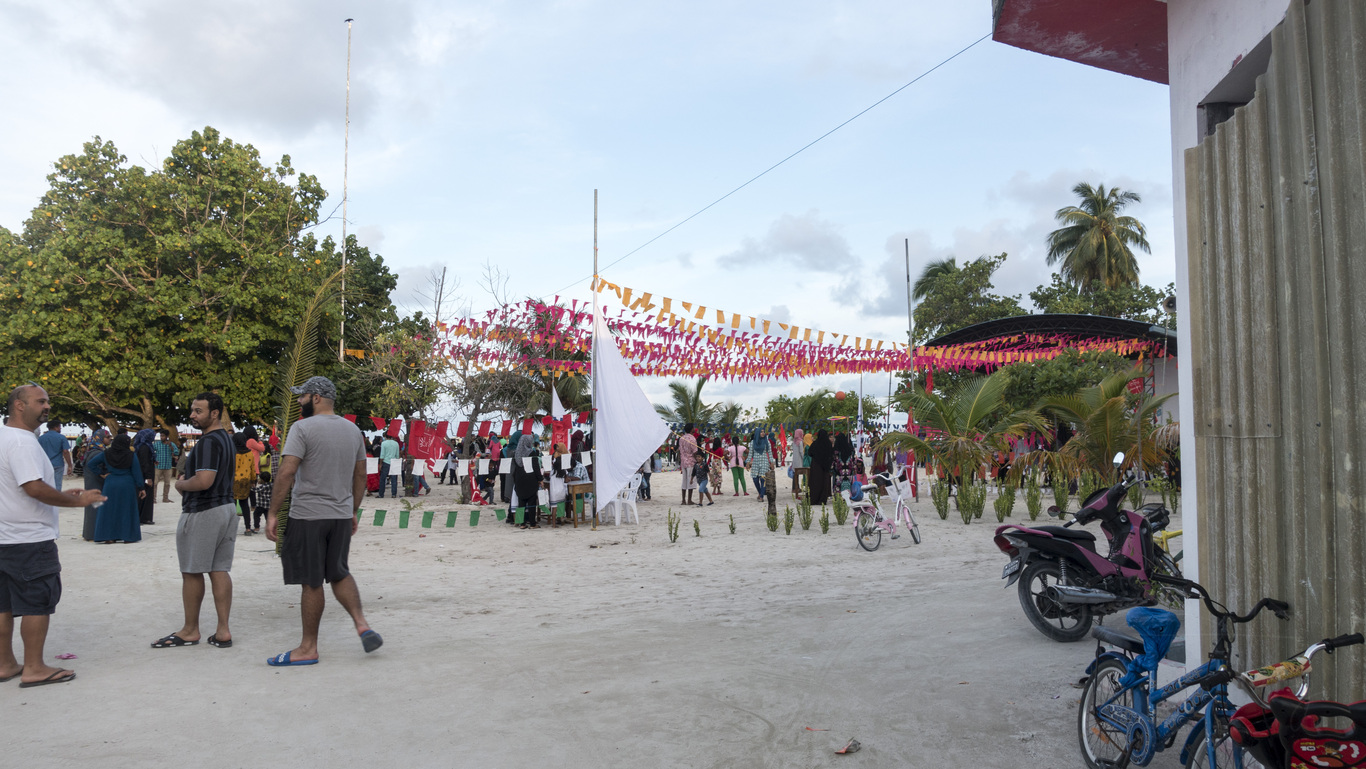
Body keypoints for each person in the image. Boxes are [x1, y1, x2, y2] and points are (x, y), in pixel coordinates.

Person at [265, 376, 381, 666]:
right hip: (340, 516)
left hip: (308, 516)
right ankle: (362, 624)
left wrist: (273, 512)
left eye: (302, 396)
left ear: (315, 397)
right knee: (339, 572)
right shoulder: (353, 430)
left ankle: (308, 648)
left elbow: (287, 472)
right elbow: (360, 475)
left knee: (312, 581)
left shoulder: (302, 428)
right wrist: (352, 510)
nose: (299, 401)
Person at [1, 386, 106, 688]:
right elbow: (33, 487)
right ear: (19, 405)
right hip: (29, 539)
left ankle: (5, 663)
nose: (47, 406)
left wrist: (61, 494)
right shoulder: (22, 442)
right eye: (41, 401)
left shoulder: (4, 436)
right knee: (36, 603)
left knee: (3, 605)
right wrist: (77, 502)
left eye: (48, 401)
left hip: (5, 536)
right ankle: (34, 667)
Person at [152, 392, 237, 650]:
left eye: (198, 411)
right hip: (226, 509)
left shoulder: (208, 442)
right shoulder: (226, 439)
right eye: (192, 410)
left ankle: (190, 630)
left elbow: (204, 481)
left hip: (203, 511)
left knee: (191, 572)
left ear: (215, 413)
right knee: (219, 570)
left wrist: (181, 484)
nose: (192, 415)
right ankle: (223, 631)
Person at [92, 434, 145, 544]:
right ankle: (127, 536)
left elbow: (91, 464)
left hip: (110, 483)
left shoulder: (106, 453)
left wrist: (102, 473)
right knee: (126, 509)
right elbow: (136, 472)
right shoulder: (131, 455)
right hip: (127, 484)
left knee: (109, 510)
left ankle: (108, 537)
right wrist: (141, 487)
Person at [511, 434, 543, 529]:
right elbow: (536, 467)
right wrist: (540, 479)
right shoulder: (532, 453)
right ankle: (532, 523)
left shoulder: (516, 453)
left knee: (521, 503)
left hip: (519, 480)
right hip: (530, 480)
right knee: (532, 503)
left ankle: (522, 523)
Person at [81, 433, 109, 541]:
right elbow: (94, 466)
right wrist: (102, 473)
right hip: (96, 483)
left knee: (92, 508)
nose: (109, 439)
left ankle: (89, 534)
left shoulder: (91, 450)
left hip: (91, 482)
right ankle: (93, 534)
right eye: (107, 437)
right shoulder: (98, 452)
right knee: (96, 508)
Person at [36, 420, 72, 493]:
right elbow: (65, 452)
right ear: (56, 427)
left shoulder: (41, 438)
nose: (60, 429)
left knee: (46, 483)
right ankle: (56, 498)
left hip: (45, 464)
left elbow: (37, 452)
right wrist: (70, 465)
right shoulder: (62, 437)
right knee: (57, 484)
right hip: (58, 463)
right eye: (59, 427)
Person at [133, 429, 156, 525]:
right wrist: (148, 477)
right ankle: (144, 518)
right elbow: (144, 463)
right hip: (145, 475)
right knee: (145, 495)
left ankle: (142, 517)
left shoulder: (141, 446)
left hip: (142, 474)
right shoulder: (145, 447)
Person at [807, 429, 835, 506]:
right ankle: (822, 500)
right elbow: (831, 455)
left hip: (816, 466)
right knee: (824, 483)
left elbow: (810, 453)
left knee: (815, 482)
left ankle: (814, 499)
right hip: (825, 467)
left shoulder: (815, 443)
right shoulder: (828, 444)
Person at [152, 430, 180, 503]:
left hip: (168, 466)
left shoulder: (171, 444)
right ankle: (153, 499)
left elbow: (176, 452)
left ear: (167, 436)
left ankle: (165, 498)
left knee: (167, 483)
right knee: (155, 483)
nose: (161, 437)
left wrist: (170, 446)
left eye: (163, 436)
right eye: (161, 436)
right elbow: (151, 451)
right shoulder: (157, 444)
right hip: (158, 466)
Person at [831, 432, 858, 498]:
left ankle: (838, 497)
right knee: (848, 485)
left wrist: (831, 470)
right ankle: (848, 496)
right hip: (849, 472)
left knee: (838, 486)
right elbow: (854, 460)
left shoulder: (836, 451)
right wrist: (854, 469)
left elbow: (833, 462)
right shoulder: (850, 450)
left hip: (839, 473)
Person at [750, 431, 774, 503]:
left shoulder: (767, 442)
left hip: (764, 462)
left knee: (763, 479)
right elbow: (750, 453)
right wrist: (747, 462)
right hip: (755, 463)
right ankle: (760, 492)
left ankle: (761, 497)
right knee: (755, 479)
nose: (763, 433)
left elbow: (770, 453)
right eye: (761, 432)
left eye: (763, 432)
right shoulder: (752, 442)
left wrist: (772, 462)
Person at [678, 424, 698, 505]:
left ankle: (683, 500)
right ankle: (689, 500)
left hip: (683, 462)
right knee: (690, 480)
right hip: (690, 462)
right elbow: (695, 451)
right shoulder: (692, 438)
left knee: (684, 481)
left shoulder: (681, 438)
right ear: (691, 429)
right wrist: (698, 459)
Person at [377, 432, 400, 498]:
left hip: (386, 462)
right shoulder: (396, 443)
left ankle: (381, 494)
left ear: (386, 436)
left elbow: (382, 455)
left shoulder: (384, 443)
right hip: (394, 462)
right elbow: (397, 455)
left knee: (382, 479)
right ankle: (393, 494)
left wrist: (380, 464)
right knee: (394, 479)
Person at [707, 437, 724, 503]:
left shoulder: (712, 449)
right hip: (718, 463)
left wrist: (707, 464)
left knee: (714, 475)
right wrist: (726, 463)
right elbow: (722, 457)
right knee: (718, 476)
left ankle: (717, 490)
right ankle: (715, 490)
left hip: (714, 462)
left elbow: (710, 457)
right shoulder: (720, 449)